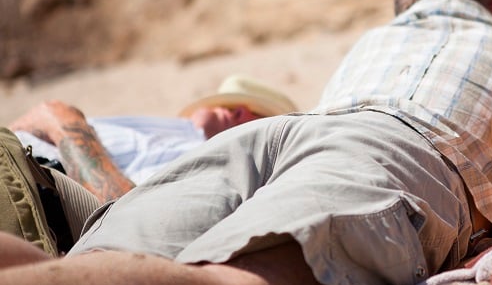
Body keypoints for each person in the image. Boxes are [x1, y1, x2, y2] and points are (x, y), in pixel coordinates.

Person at [0, 0, 492, 285]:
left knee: (86, 272)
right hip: (397, 152)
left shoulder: (377, 41)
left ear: (405, 10)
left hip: (286, 133)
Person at [9, 74, 297, 202]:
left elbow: (122, 206)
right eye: (231, 103)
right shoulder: (171, 133)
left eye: (257, 118)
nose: (237, 112)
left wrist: (60, 121)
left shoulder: (205, 156)